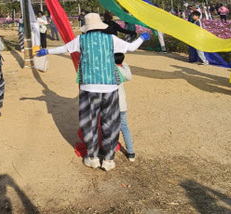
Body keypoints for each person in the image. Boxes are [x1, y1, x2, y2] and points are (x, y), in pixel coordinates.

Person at [36, 13, 148, 172]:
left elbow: (63, 48)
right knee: (110, 122)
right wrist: (142, 38)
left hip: (89, 89)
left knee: (89, 123)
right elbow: (131, 47)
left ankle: (93, 157)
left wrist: (45, 52)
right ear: (100, 25)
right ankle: (109, 160)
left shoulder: (81, 40)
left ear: (86, 27)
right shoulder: (111, 39)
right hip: (110, 87)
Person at [114, 52, 135, 162]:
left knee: (110, 128)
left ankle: (110, 150)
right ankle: (131, 152)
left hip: (110, 105)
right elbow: (129, 76)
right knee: (124, 127)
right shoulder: (122, 71)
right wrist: (124, 63)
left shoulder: (108, 69)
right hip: (121, 105)